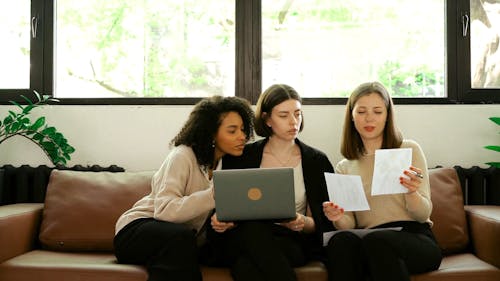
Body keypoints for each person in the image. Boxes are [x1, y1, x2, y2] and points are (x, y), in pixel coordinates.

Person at [113, 95, 254, 281]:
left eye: (243, 130)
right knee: (181, 238)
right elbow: (164, 212)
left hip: (183, 240)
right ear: (211, 133)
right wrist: (213, 195)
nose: (242, 136)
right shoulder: (182, 155)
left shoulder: (229, 164)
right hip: (136, 231)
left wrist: (224, 222)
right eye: (232, 131)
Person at [209, 84, 335, 281]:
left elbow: (322, 222)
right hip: (242, 235)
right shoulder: (242, 156)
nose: (293, 122)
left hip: (289, 241)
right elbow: (225, 206)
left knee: (245, 266)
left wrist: (303, 222)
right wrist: (221, 220)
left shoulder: (316, 160)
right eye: (284, 115)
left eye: (298, 114)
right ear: (267, 119)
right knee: (252, 230)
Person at [322, 81, 442, 281]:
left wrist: (411, 192)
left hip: (414, 237)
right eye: (361, 112)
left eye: (377, 111)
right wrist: (337, 217)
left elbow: (423, 214)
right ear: (352, 116)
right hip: (371, 240)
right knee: (341, 241)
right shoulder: (345, 166)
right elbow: (349, 223)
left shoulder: (408, 149)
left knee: (377, 241)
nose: (369, 118)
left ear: (387, 116)